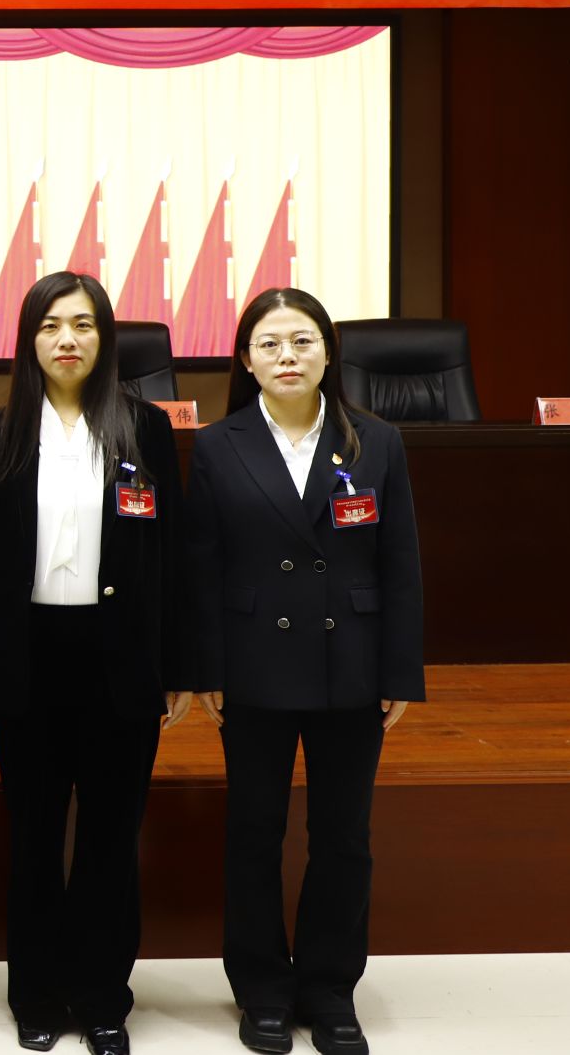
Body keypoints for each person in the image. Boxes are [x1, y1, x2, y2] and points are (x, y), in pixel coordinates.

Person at [188, 288, 425, 1055]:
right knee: (253, 831)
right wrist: (205, 666)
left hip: (350, 662)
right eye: (269, 343)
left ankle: (329, 988)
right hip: (252, 664)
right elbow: (202, 568)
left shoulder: (376, 441)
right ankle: (261, 987)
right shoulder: (218, 444)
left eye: (302, 341)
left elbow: (400, 563)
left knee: (343, 836)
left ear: (328, 351)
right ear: (246, 359)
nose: (287, 356)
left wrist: (400, 669)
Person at [0, 273, 192, 1055]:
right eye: (51, 324)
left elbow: (171, 553)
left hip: (118, 654)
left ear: (105, 338)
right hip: (27, 655)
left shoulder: (144, 427)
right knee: (32, 835)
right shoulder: (2, 429)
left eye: (84, 324)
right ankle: (34, 992)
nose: (67, 339)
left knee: (109, 837)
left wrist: (176, 663)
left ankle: (101, 998)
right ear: (29, 339)